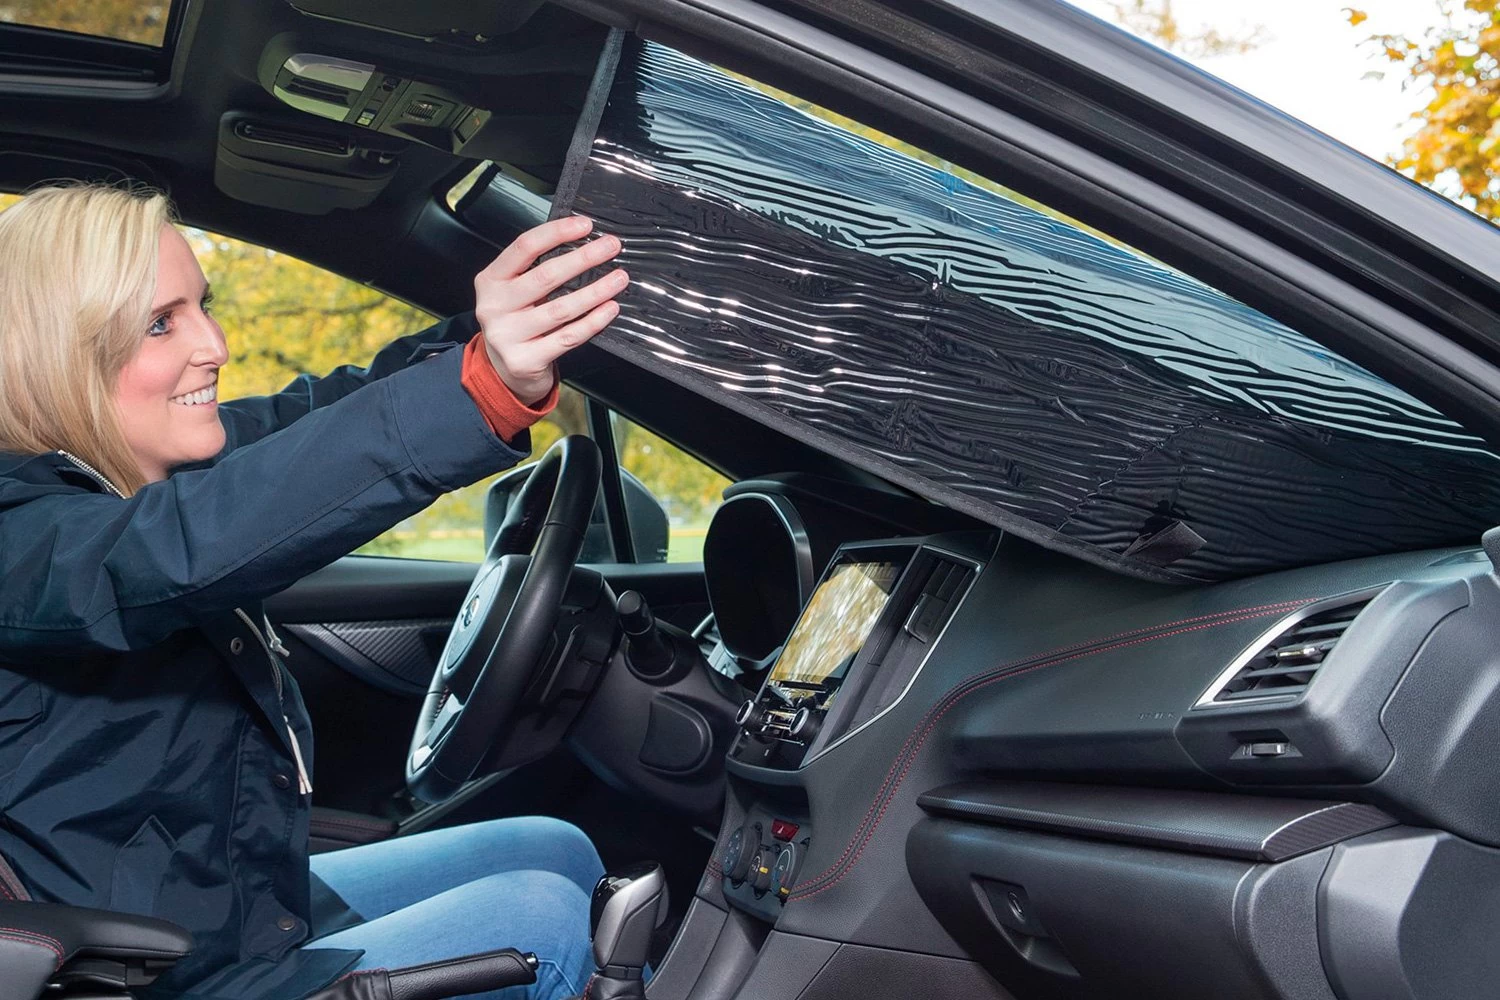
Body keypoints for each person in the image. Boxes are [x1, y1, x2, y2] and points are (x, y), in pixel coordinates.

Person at [0, 183, 629, 1000]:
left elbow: (311, 424)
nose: (216, 344)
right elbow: (182, 547)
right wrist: (478, 387)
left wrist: (493, 338)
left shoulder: (127, 472)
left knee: (553, 848)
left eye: (202, 307)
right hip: (150, 974)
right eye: (160, 324)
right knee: (540, 920)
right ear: (61, 357)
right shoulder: (27, 537)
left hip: (230, 912)